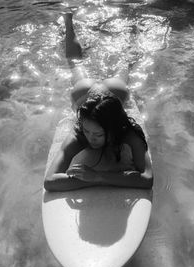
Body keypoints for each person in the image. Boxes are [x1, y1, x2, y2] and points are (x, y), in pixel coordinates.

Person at [44, 13, 153, 192]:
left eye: (98, 135)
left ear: (114, 129)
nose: (90, 138)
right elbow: (49, 181)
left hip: (115, 92)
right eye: (87, 131)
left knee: (125, 64)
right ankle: (68, 22)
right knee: (74, 63)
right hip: (84, 94)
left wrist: (97, 176)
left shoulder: (128, 133)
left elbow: (148, 179)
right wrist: (102, 179)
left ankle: (135, 27)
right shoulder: (80, 133)